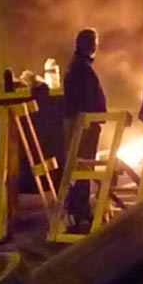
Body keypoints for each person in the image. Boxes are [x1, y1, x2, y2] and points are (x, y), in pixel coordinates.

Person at [62, 27, 106, 230]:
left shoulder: (78, 66)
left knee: (80, 168)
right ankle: (81, 215)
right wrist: (94, 120)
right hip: (85, 126)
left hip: (81, 123)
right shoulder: (83, 69)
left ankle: (78, 213)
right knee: (83, 168)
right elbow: (88, 100)